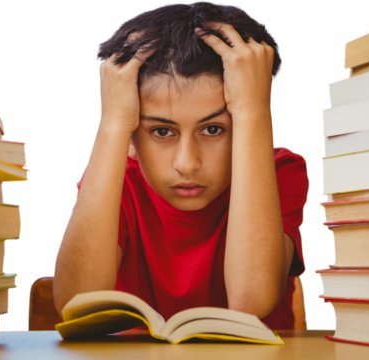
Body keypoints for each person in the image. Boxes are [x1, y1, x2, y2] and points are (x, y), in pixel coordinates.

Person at [54, 0, 309, 330]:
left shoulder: (281, 171)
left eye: (213, 129)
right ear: (131, 140)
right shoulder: (115, 179)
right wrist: (113, 123)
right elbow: (76, 305)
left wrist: (253, 110)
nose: (187, 164)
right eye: (161, 131)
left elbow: (251, 302)